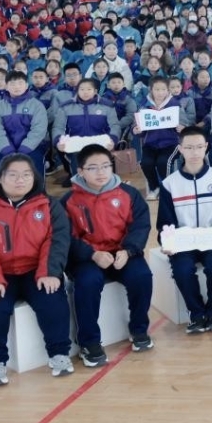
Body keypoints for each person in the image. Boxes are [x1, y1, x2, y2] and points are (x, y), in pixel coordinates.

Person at [62, 145, 154, 366]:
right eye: (93, 168)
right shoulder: (68, 201)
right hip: (87, 258)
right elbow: (65, 237)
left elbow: (141, 225)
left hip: (122, 252)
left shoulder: (128, 193)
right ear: (80, 171)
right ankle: (89, 342)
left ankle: (139, 328)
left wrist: (128, 250)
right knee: (87, 282)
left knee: (142, 276)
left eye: (105, 166)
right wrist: (92, 254)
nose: (101, 172)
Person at [0, 155, 74, 386]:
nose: (20, 180)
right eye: (13, 175)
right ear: (0, 178)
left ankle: (59, 353)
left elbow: (57, 240)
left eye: (26, 174)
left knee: (52, 301)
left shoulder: (48, 205)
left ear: (34, 178)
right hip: (1, 273)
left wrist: (49, 272)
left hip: (36, 270)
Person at [157, 128, 212, 334]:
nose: (194, 152)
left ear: (206, 147)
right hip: (184, 243)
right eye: (189, 147)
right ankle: (196, 314)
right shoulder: (170, 184)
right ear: (180, 149)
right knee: (182, 270)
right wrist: (167, 242)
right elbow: (165, 222)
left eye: (199, 147)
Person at [0, 70, 48, 175]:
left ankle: (39, 187)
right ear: (6, 86)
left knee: (36, 171)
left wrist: (25, 148)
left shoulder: (36, 105)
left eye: (20, 83)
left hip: (32, 147)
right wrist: (7, 149)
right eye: (12, 84)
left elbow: (38, 130)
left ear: (26, 85)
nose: (16, 86)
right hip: (5, 148)